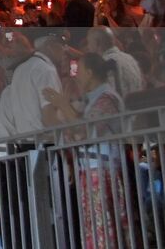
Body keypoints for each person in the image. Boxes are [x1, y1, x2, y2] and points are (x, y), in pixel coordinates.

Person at [44, 53, 127, 247]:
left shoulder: (107, 99)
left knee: (106, 229)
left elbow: (84, 132)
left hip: (105, 172)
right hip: (90, 172)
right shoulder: (90, 101)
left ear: (89, 73)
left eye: (79, 71)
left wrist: (63, 105)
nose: (76, 76)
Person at [87, 26, 144, 97]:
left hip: (120, 107)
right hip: (136, 106)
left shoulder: (105, 64)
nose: (88, 47)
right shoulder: (130, 58)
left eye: (88, 42)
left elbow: (110, 98)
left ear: (96, 43)